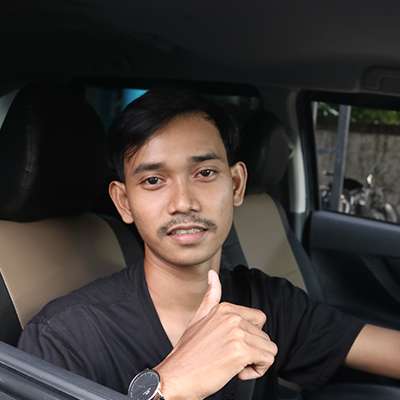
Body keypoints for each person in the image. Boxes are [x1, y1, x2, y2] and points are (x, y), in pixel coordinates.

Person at [18, 89, 400, 400]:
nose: (183, 202)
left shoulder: (266, 301)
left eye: (204, 173)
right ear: (124, 202)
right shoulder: (66, 337)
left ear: (236, 185)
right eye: (153, 181)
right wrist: (169, 386)